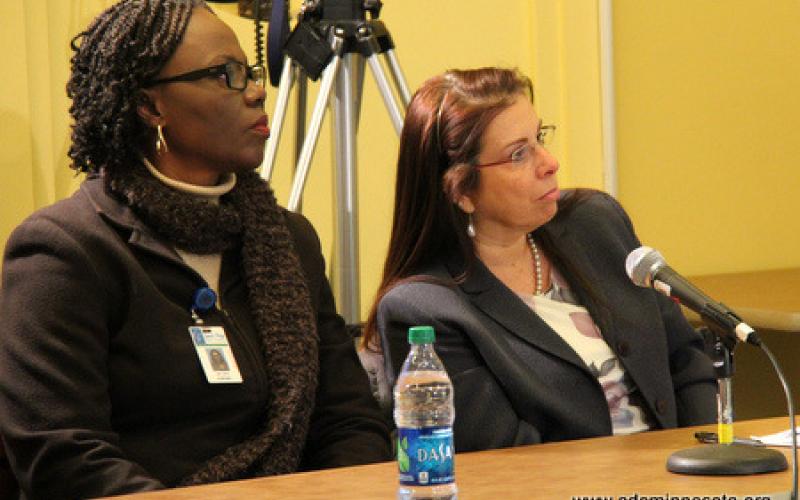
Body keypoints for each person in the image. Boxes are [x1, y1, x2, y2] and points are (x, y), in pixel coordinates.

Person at [0, 1, 391, 498]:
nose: (254, 91)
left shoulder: (289, 241)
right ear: (151, 106)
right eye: (225, 74)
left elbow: (349, 420)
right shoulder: (66, 252)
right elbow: (64, 456)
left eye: (248, 71)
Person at [363, 67, 717, 453]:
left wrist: (700, 460)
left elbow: (685, 357)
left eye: (540, 138)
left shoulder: (595, 223)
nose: (549, 162)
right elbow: (503, 455)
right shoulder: (424, 309)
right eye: (519, 154)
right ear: (462, 191)